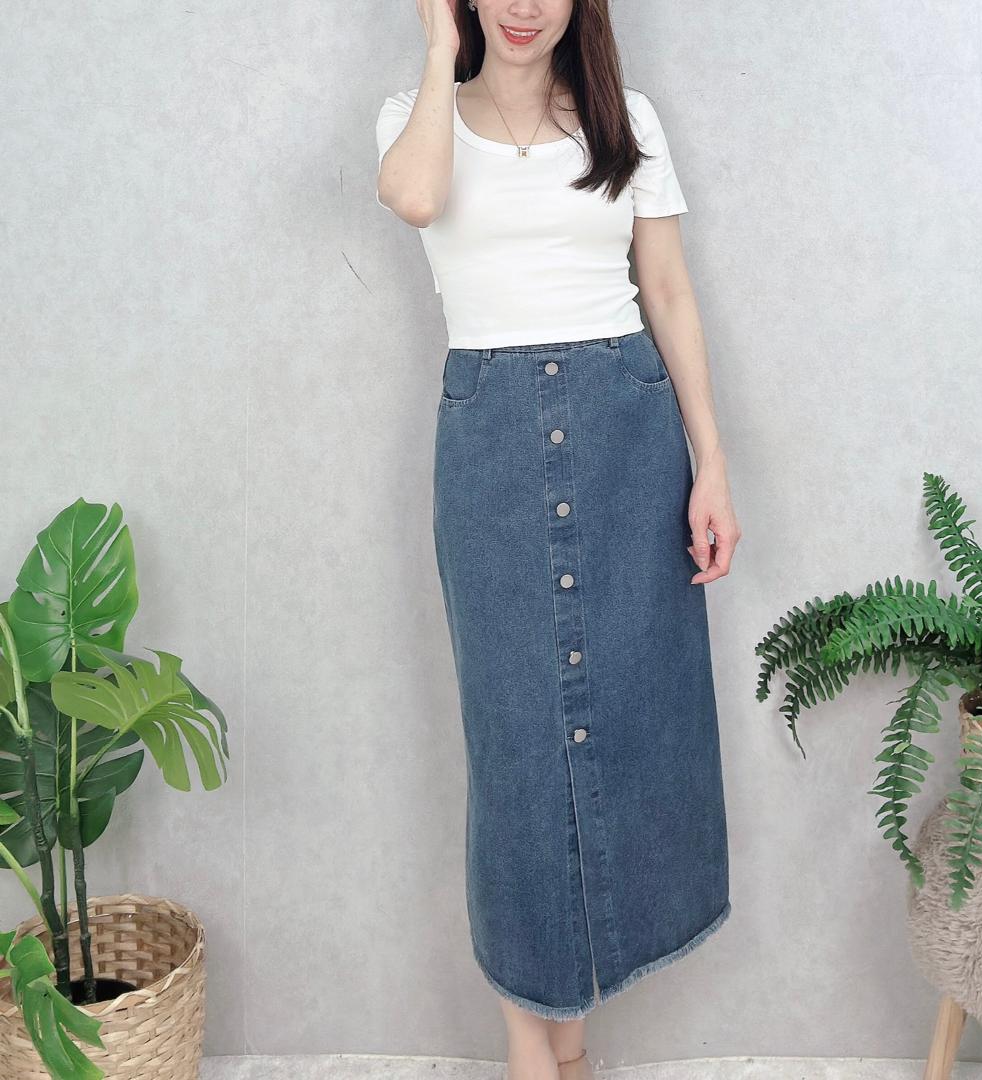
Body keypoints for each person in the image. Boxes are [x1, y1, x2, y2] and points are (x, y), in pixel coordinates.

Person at [375, 2, 742, 1077]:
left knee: (630, 727)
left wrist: (711, 463)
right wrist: (439, 51)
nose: (525, 5)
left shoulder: (626, 121)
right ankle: (531, 1047)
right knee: (518, 751)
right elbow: (415, 198)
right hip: (489, 446)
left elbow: (667, 290)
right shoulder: (415, 116)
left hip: (627, 431)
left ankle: (568, 1042)